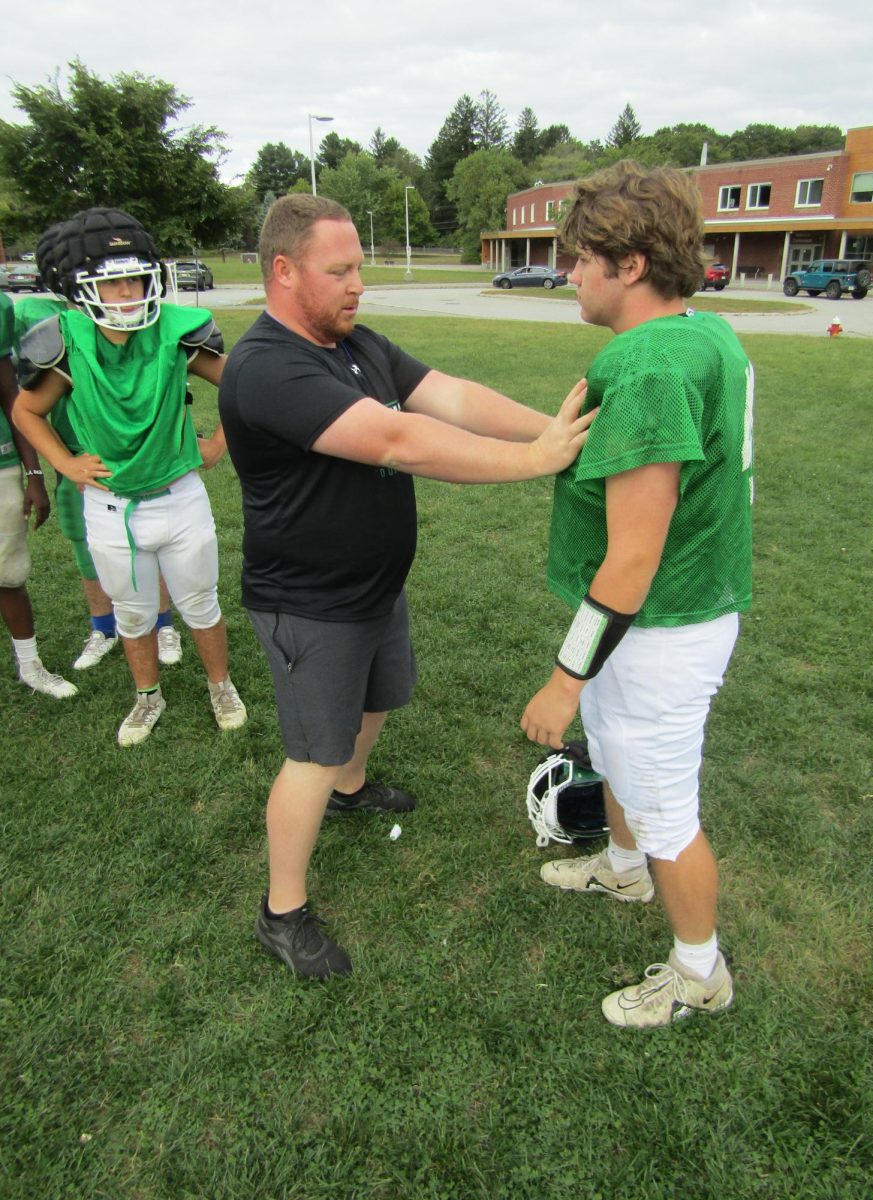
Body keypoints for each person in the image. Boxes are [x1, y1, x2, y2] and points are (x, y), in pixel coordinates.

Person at [219, 193, 594, 980]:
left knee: (381, 697)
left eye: (359, 266)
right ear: (284, 272)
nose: (359, 284)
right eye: (341, 270)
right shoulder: (267, 367)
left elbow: (448, 394)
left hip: (374, 587)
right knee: (311, 754)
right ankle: (281, 911)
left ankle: (353, 792)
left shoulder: (353, 342)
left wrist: (548, 431)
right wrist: (535, 462)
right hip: (309, 603)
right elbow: (396, 438)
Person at [520, 160, 753, 1029]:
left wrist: (564, 678)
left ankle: (700, 971)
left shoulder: (652, 363)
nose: (569, 273)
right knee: (616, 757)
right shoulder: (703, 332)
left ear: (630, 266)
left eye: (582, 258)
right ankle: (620, 866)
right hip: (663, 617)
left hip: (659, 622)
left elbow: (631, 562)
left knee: (666, 806)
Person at [13, 207, 244, 746]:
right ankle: (147, 696)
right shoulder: (67, 339)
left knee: (200, 603)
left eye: (134, 278)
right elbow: (26, 411)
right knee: (132, 614)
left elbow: (240, 381)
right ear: (82, 289)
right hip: (111, 502)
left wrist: (218, 443)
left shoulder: (173, 330)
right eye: (112, 283)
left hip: (180, 493)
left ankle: (221, 685)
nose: (127, 292)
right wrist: (65, 464)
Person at [12, 294, 187, 671]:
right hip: (78, 453)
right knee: (84, 540)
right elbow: (27, 407)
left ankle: (163, 623)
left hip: (132, 455)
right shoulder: (44, 321)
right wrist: (66, 463)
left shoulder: (135, 326)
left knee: (148, 538)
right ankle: (103, 627)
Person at [0, 290, 77, 698]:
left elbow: (10, 393)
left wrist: (34, 472)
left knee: (6, 572)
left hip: (0, 460)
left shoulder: (1, 306)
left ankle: (30, 663)